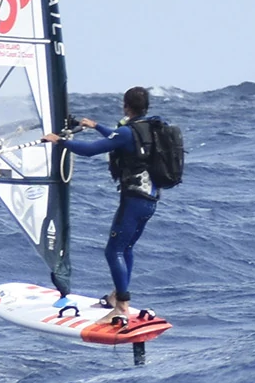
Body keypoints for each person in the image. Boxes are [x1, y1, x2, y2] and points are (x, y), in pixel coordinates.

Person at [43, 86, 166, 327]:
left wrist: (60, 141)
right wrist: (96, 125)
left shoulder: (127, 132)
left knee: (114, 251)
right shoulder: (148, 127)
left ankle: (122, 306)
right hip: (151, 200)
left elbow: (91, 150)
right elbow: (120, 138)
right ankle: (116, 296)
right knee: (126, 247)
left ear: (125, 106)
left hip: (133, 201)